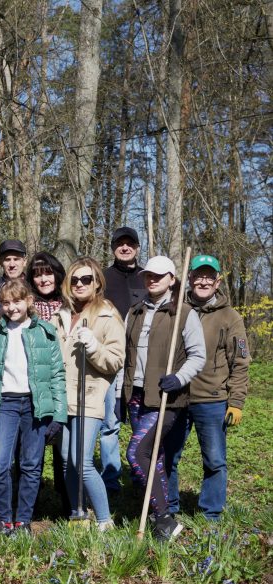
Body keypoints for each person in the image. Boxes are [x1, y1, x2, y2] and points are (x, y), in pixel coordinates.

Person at [123, 256, 206, 541]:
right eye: (148, 275)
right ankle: (164, 521)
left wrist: (179, 378)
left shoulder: (183, 313)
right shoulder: (134, 312)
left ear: (172, 278)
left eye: (159, 276)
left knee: (136, 453)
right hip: (135, 395)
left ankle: (164, 518)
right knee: (152, 457)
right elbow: (126, 354)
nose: (152, 280)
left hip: (166, 398)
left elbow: (198, 356)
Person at [0, 279, 66, 535]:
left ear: (28, 302)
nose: (12, 308)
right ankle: (4, 521)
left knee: (31, 464)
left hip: (34, 405)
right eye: (6, 303)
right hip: (5, 404)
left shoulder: (45, 333)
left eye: (17, 301)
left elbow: (57, 375)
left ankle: (23, 521)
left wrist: (57, 416)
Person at [163, 255, 249, 522]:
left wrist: (236, 401)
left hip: (211, 400)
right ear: (189, 279)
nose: (203, 281)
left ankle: (211, 513)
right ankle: (169, 508)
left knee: (214, 460)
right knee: (168, 457)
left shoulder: (230, 317)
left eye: (208, 276)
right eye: (198, 275)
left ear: (217, 281)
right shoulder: (175, 310)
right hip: (177, 396)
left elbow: (241, 361)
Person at [51, 257, 125, 531]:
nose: (79, 284)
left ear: (97, 283)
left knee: (82, 462)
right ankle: (76, 513)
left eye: (86, 279)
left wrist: (93, 347)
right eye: (74, 280)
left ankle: (105, 521)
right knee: (67, 461)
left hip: (89, 396)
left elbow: (115, 361)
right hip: (63, 397)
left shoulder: (107, 315)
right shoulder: (62, 314)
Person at [100, 226, 146, 494]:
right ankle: (111, 480)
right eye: (120, 244)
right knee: (110, 422)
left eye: (130, 244)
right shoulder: (103, 279)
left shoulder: (149, 277)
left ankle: (142, 477)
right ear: (113, 248)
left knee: (141, 421)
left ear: (138, 247)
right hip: (112, 360)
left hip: (142, 362)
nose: (125, 248)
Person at [26, 251, 70, 517]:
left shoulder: (70, 305)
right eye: (37, 273)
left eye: (47, 272)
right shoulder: (25, 306)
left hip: (63, 383)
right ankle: (30, 506)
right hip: (31, 385)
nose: (43, 278)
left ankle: (68, 505)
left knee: (64, 450)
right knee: (32, 449)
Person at [0, 239, 27, 303]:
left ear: (25, 261)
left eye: (16, 259)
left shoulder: (34, 289)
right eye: (7, 260)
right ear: (0, 262)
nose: (12, 264)